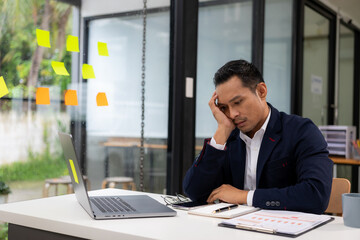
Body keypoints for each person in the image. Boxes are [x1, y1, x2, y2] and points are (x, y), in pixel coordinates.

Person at [183, 59, 333, 214]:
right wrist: (222, 129)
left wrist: (245, 197)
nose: (232, 114)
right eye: (224, 108)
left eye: (238, 102)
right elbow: (195, 192)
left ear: (261, 91)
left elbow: (316, 195)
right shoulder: (229, 137)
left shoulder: (301, 131)